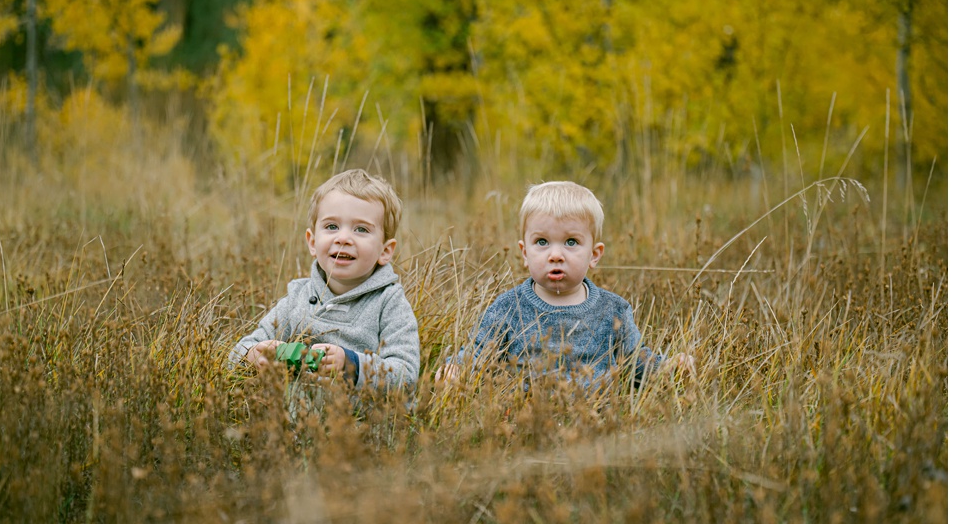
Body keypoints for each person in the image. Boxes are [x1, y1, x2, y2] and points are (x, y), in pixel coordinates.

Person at [436, 180, 694, 390]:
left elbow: (635, 362)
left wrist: (668, 369)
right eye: (542, 242)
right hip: (526, 424)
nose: (555, 254)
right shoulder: (508, 308)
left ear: (594, 254)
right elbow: (477, 353)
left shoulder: (612, 310)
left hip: (593, 426)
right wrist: (456, 370)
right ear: (524, 253)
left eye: (571, 242)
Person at [230, 169, 420, 399]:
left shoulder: (389, 303)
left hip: (358, 429)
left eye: (361, 229)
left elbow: (407, 376)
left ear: (385, 250)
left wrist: (351, 365)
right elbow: (237, 353)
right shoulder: (298, 297)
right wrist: (253, 354)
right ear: (312, 241)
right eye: (332, 226)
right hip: (291, 426)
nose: (343, 238)